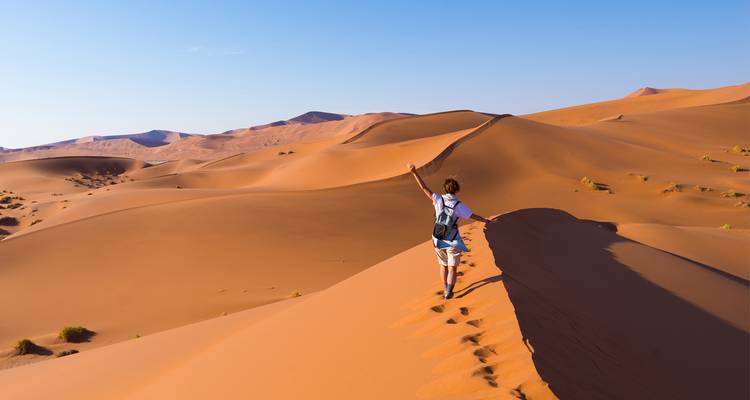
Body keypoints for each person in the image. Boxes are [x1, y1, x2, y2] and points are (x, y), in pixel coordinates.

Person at [407, 164, 492, 299]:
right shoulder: (458, 205)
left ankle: (445, 287)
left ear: (445, 189)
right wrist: (485, 221)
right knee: (452, 268)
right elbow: (471, 216)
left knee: (443, 265)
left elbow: (424, 187)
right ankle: (449, 292)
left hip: (437, 236)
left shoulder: (438, 199)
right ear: (456, 190)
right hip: (452, 238)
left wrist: (414, 172)